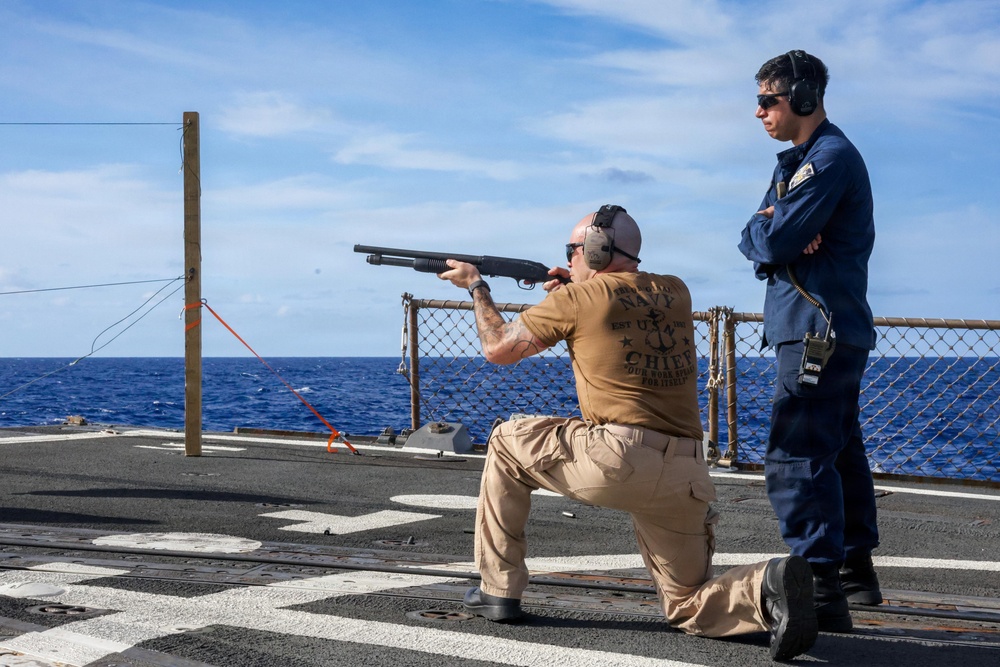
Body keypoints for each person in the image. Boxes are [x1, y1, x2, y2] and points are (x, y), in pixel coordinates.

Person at [439, 205, 818, 661]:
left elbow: (498, 348)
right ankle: (766, 583)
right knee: (684, 604)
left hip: (616, 459)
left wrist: (477, 287)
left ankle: (498, 591)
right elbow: (619, 306)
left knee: (504, 440)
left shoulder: (576, 300)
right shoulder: (676, 290)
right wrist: (579, 284)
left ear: (595, 250)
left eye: (572, 249)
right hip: (685, 472)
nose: (569, 257)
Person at [738, 50, 882, 633]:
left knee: (796, 453)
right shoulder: (797, 163)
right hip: (826, 327)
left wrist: (775, 231)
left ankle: (821, 586)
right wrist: (770, 228)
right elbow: (762, 234)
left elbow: (773, 244)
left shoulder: (828, 160)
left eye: (767, 100)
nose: (759, 113)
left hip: (816, 330)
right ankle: (852, 572)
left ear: (802, 97)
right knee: (838, 449)